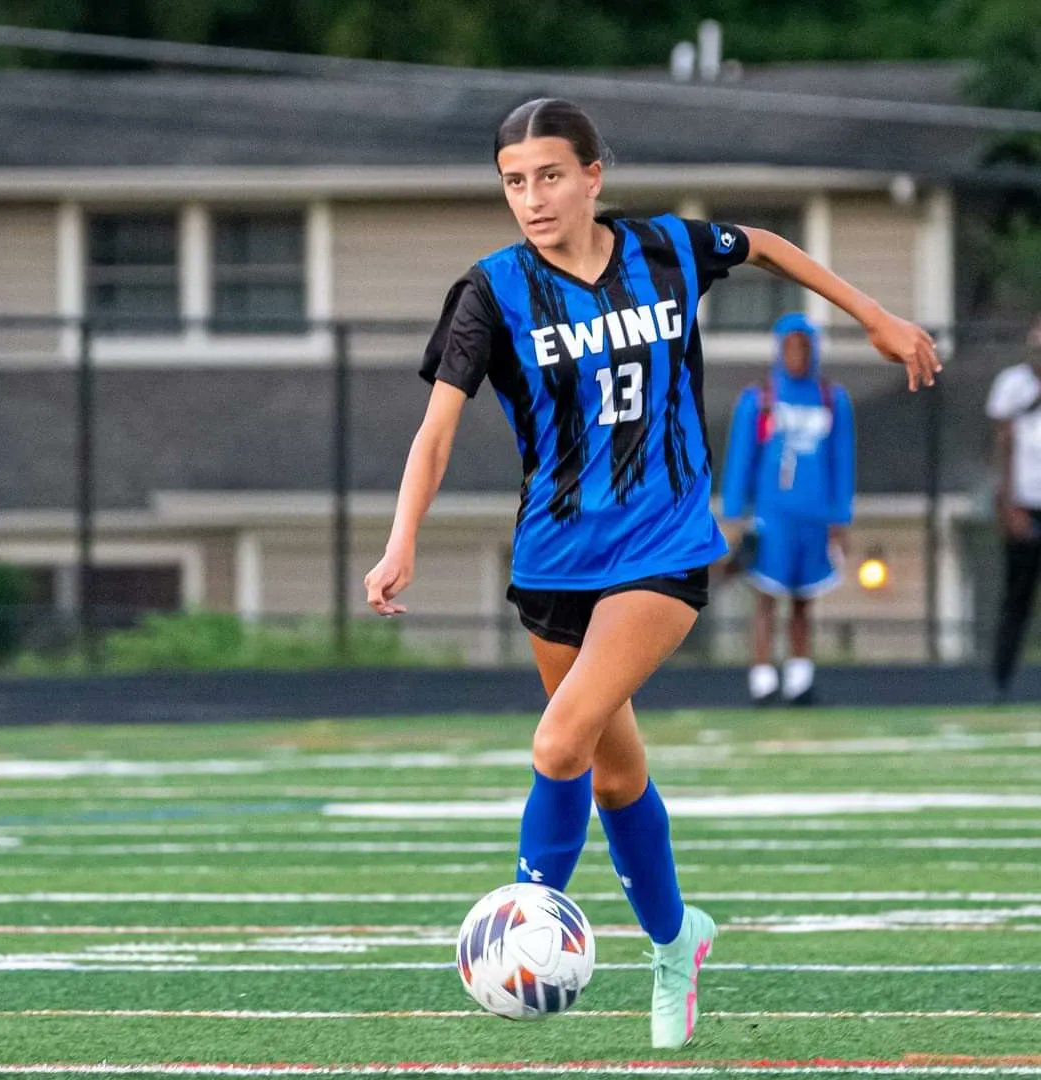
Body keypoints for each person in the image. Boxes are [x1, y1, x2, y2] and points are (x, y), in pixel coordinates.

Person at [363, 98, 940, 1047]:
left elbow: (761, 243)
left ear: (595, 174)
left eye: (552, 175)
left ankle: (528, 923)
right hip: (554, 562)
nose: (534, 198)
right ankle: (677, 940)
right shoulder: (490, 292)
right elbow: (435, 433)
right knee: (612, 773)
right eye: (515, 181)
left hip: (664, 548)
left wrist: (874, 316)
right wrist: (401, 541)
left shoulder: (665, 250)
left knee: (557, 745)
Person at [720, 313, 855, 706]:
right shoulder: (760, 399)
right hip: (771, 515)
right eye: (791, 346)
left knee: (803, 598)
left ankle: (800, 677)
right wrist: (734, 513)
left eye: (805, 346)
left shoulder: (832, 399)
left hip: (813, 516)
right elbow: (741, 458)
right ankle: (762, 677)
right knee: (766, 595)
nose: (798, 354)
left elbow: (841, 461)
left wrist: (839, 518)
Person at [986, 317, 1041, 700]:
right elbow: (1001, 446)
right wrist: (1007, 504)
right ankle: (1001, 684)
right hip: (1024, 505)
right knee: (1017, 599)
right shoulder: (1012, 384)